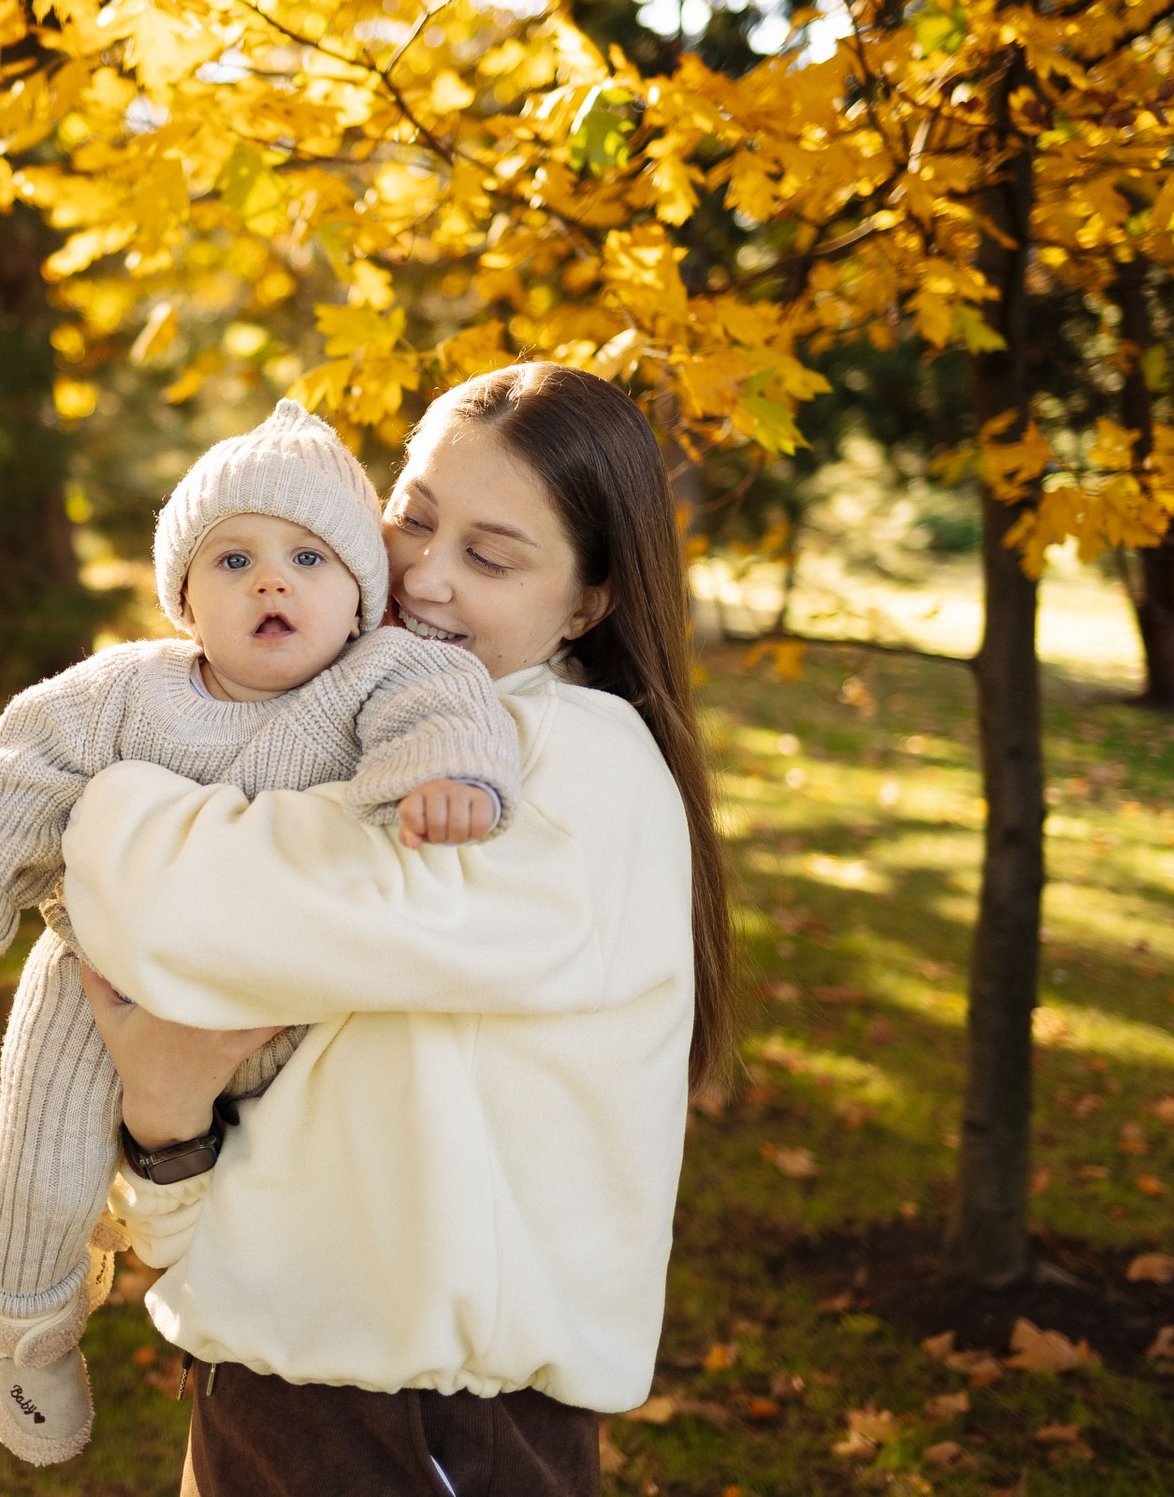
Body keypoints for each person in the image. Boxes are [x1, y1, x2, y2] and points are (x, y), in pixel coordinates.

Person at [62, 362, 736, 1496]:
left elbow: (175, 912)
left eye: (491, 555)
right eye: (413, 516)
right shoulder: (366, 738)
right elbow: (291, 1100)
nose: (421, 575)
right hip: (266, 1393)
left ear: (586, 604)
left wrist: (102, 796)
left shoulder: (565, 767)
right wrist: (166, 1131)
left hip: (421, 1424)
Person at [0, 399, 525, 1464]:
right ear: (182, 598)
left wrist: (449, 777)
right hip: (93, 983)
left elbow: (445, 703)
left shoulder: (376, 675)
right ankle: (26, 1331)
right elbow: (16, 771)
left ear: (363, 601)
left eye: (310, 558)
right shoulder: (124, 691)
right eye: (231, 559)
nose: (270, 580)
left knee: (259, 1181)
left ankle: (184, 1282)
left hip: (284, 1009)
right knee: (40, 1152)